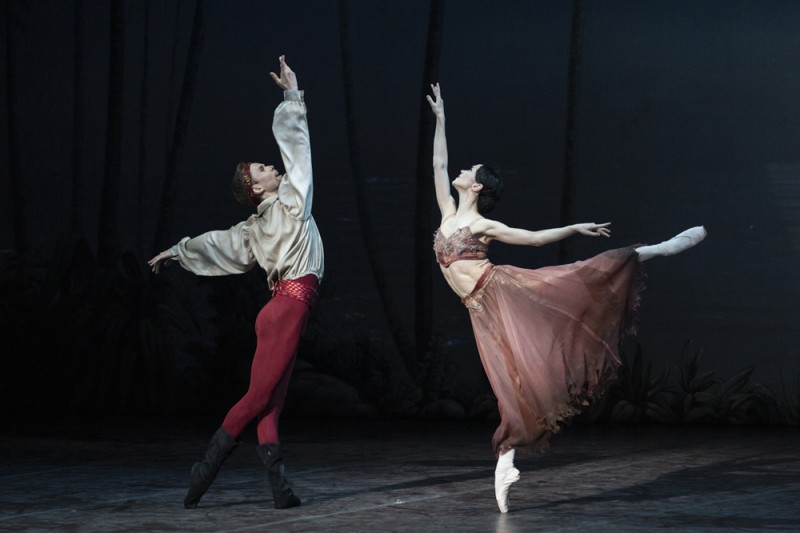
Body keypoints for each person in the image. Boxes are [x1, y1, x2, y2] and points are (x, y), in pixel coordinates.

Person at [425, 83, 705, 513]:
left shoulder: (480, 226)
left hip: (501, 291)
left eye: (470, 170)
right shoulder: (447, 211)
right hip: (479, 310)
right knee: (510, 381)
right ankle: (506, 463)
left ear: (478, 188)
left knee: (579, 281)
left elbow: (535, 240)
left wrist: (575, 228)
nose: (461, 171)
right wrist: (441, 118)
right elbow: (439, 162)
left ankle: (655, 249)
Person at [148, 55, 323, 510]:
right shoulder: (289, 204)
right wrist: (291, 96)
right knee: (259, 397)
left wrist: (178, 251)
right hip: (286, 308)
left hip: (281, 310)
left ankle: (281, 491)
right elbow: (297, 148)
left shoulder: (259, 223)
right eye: (263, 170)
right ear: (259, 188)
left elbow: (217, 244)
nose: (272, 168)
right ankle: (204, 468)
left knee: (272, 404)